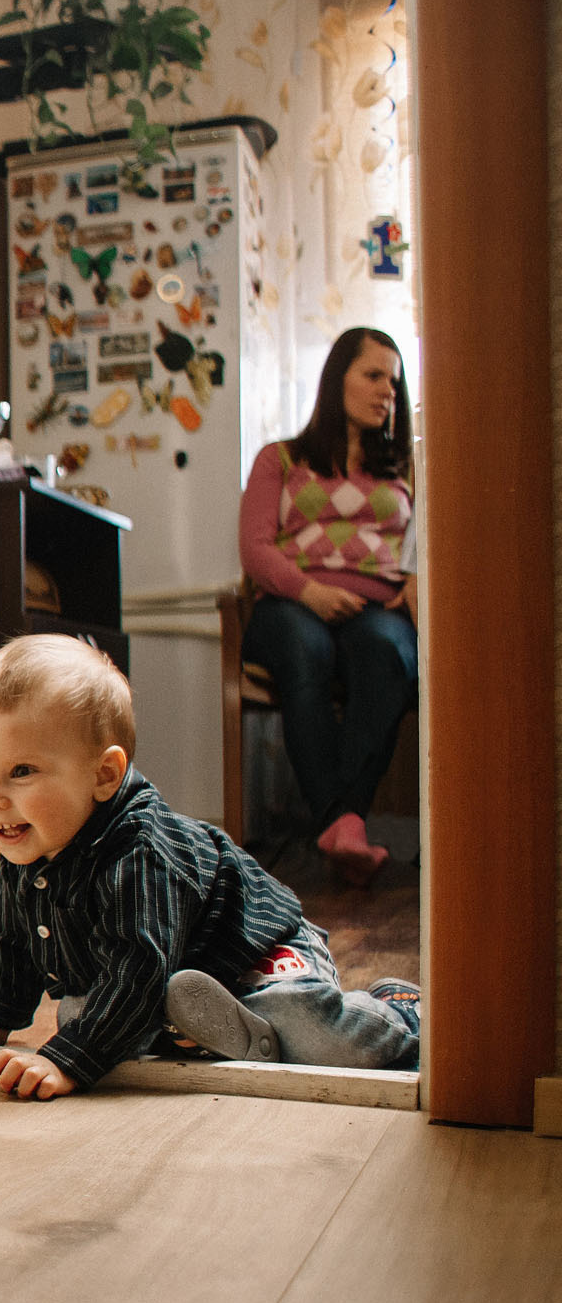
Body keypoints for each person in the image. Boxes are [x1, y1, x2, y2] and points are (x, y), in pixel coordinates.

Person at [0, 636, 419, 1101]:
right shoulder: (28, 838)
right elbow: (14, 942)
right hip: (171, 975)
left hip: (252, 952)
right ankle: (223, 1036)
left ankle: (402, 1013)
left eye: (21, 772)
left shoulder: (140, 853)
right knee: (79, 1011)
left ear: (104, 775)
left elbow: (138, 965)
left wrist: (70, 1061)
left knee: (312, 1030)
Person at [236, 325, 417, 886]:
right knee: (303, 649)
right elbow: (254, 547)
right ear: (336, 379)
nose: (387, 389)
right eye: (372, 375)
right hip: (293, 602)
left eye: (394, 380)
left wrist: (417, 584)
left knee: (388, 655)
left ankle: (342, 826)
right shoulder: (281, 458)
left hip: (379, 610)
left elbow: (429, 543)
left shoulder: (407, 469)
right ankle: (343, 821)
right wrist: (309, 591)